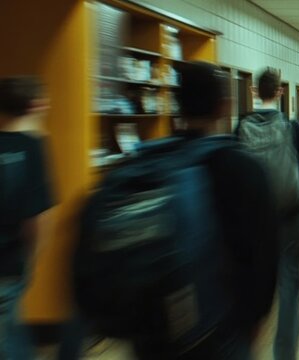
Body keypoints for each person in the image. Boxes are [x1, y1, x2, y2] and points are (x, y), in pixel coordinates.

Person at [75, 63, 280, 359]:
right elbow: (261, 255)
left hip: (150, 333)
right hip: (219, 328)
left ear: (176, 105)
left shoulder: (140, 166)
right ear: (225, 106)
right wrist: (255, 318)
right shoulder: (241, 168)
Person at [236, 68, 299, 360]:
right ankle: (285, 352)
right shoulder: (290, 126)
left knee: (252, 282)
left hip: (252, 221)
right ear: (280, 92)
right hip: (289, 216)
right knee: (290, 284)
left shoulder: (241, 126)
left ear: (254, 92)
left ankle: (248, 345)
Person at [0, 76, 52, 360]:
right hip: (8, 264)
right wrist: (32, 260)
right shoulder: (31, 148)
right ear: (36, 106)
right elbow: (37, 219)